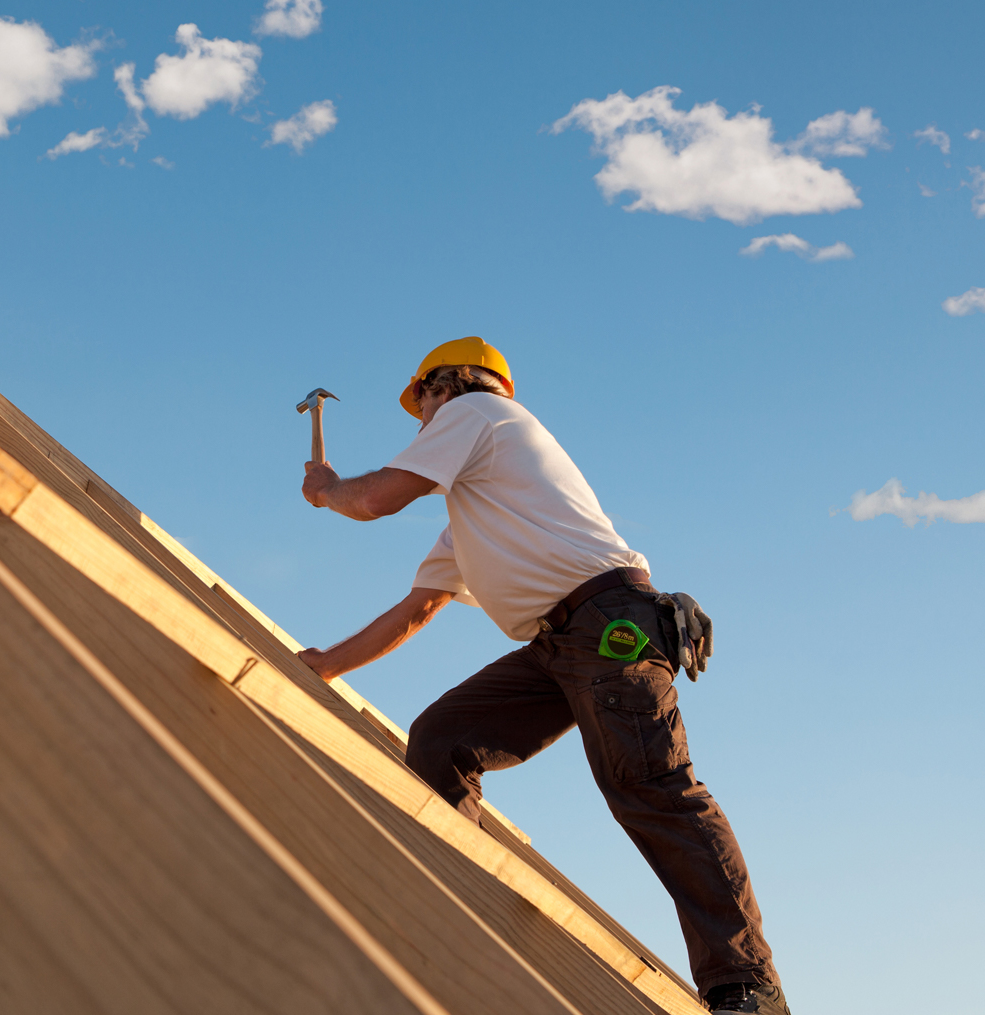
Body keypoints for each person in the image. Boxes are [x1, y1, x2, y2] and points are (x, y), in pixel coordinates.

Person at [296, 337, 789, 1015]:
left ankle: (746, 986)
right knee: (442, 739)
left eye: (421, 406)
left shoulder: (479, 414)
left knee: (648, 784)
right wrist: (326, 663)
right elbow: (416, 612)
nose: (421, 425)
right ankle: (463, 907)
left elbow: (377, 497)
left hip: (609, 622)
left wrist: (327, 491)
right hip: (558, 645)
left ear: (450, 386)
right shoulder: (479, 509)